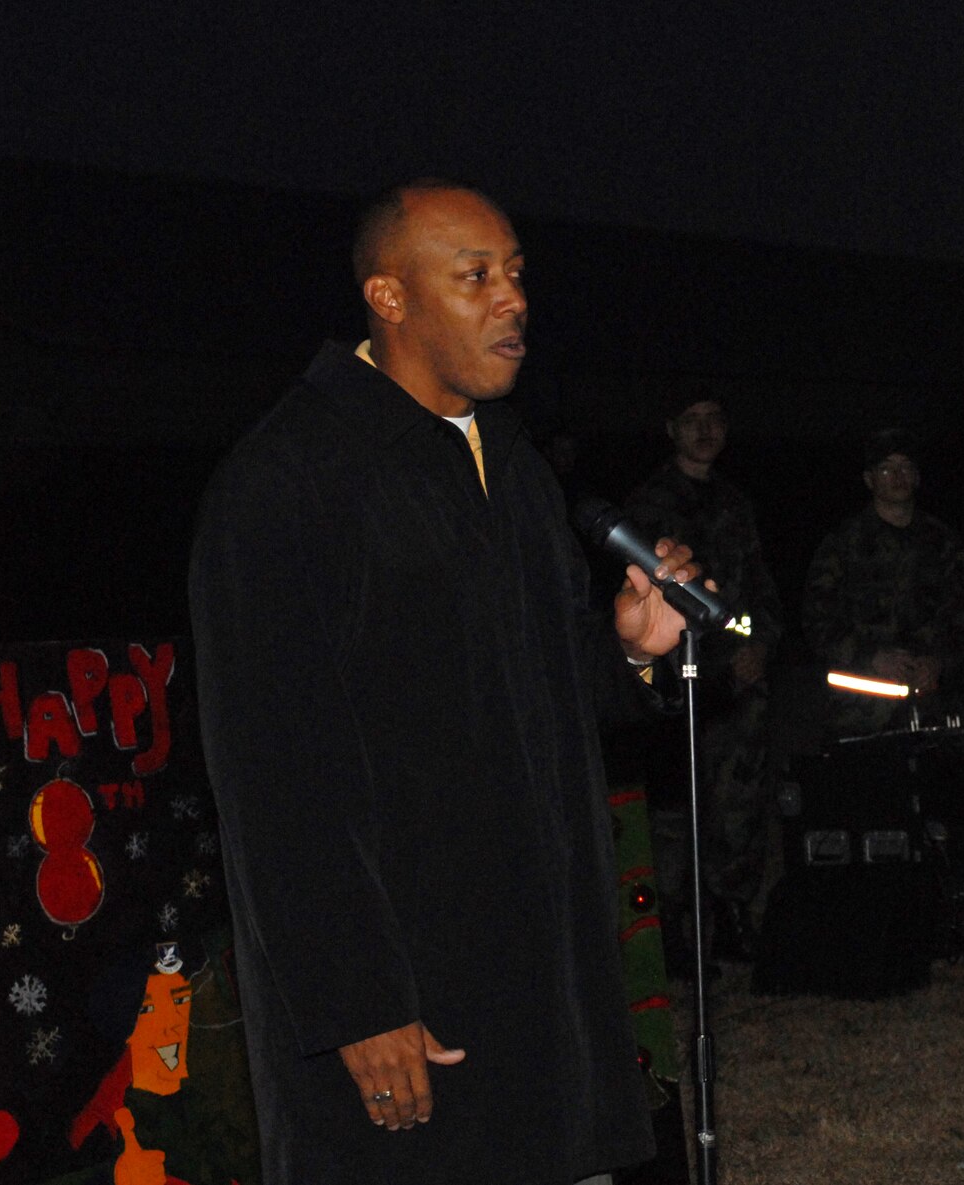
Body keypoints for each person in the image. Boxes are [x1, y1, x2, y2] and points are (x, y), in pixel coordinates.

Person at [188, 180, 704, 1185]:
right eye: (473, 278)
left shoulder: (508, 469)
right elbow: (272, 774)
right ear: (389, 298)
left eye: (515, 274)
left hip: (540, 987)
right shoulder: (287, 481)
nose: (510, 299)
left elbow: (546, 700)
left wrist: (631, 649)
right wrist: (356, 1002)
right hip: (408, 998)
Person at [617, 383, 783, 967]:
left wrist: (756, 642)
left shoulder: (737, 503)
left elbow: (758, 587)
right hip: (675, 679)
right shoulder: (649, 501)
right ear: (672, 430)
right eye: (692, 420)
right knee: (673, 810)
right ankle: (675, 935)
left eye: (715, 419)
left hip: (737, 681)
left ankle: (734, 917)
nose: (705, 431)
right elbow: (639, 594)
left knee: (737, 803)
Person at [801, 429, 964, 735]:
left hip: (932, 702)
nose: (898, 476)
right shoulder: (843, 543)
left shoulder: (941, 540)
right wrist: (871, 657)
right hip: (861, 709)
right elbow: (817, 619)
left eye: (906, 467)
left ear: (918, 476)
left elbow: (962, 614)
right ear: (869, 479)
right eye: (887, 468)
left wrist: (938, 661)